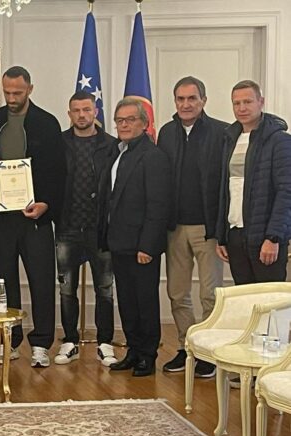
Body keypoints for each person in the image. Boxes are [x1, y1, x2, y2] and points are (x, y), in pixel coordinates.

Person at [0, 65, 66, 367]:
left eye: (18, 92)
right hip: (2, 217)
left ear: (30, 89)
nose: (12, 98)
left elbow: (58, 172)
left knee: (42, 281)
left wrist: (46, 204)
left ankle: (40, 344)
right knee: (4, 281)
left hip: (36, 217)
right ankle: (8, 340)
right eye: (7, 92)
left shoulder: (47, 124)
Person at [156, 77, 227, 378]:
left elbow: (226, 184)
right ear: (175, 101)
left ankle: (208, 353)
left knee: (210, 294)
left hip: (207, 228)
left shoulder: (222, 132)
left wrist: (221, 228)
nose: (185, 104)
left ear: (203, 101)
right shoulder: (166, 133)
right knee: (177, 293)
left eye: (192, 98)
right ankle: (187, 348)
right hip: (174, 228)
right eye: (180, 99)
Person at [98, 98, 171, 377]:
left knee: (145, 302)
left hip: (141, 245)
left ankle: (147, 356)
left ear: (144, 123)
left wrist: (148, 246)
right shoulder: (118, 153)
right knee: (127, 302)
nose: (124, 125)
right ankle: (133, 350)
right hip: (118, 242)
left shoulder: (153, 156)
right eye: (120, 120)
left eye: (130, 120)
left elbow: (158, 205)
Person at [53, 91, 117, 367]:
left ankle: (105, 342)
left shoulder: (111, 145)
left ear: (95, 112)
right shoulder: (58, 144)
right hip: (67, 227)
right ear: (69, 114)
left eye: (86, 109)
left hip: (100, 229)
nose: (81, 115)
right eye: (76, 110)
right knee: (67, 289)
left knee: (105, 288)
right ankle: (70, 341)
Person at [215, 80, 291, 284]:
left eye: (247, 102)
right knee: (244, 298)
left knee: (269, 299)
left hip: (265, 237)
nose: (242, 108)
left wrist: (273, 237)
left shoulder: (279, 140)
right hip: (235, 236)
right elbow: (226, 190)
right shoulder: (230, 139)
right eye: (236, 103)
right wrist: (222, 236)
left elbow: (286, 192)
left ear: (261, 102)